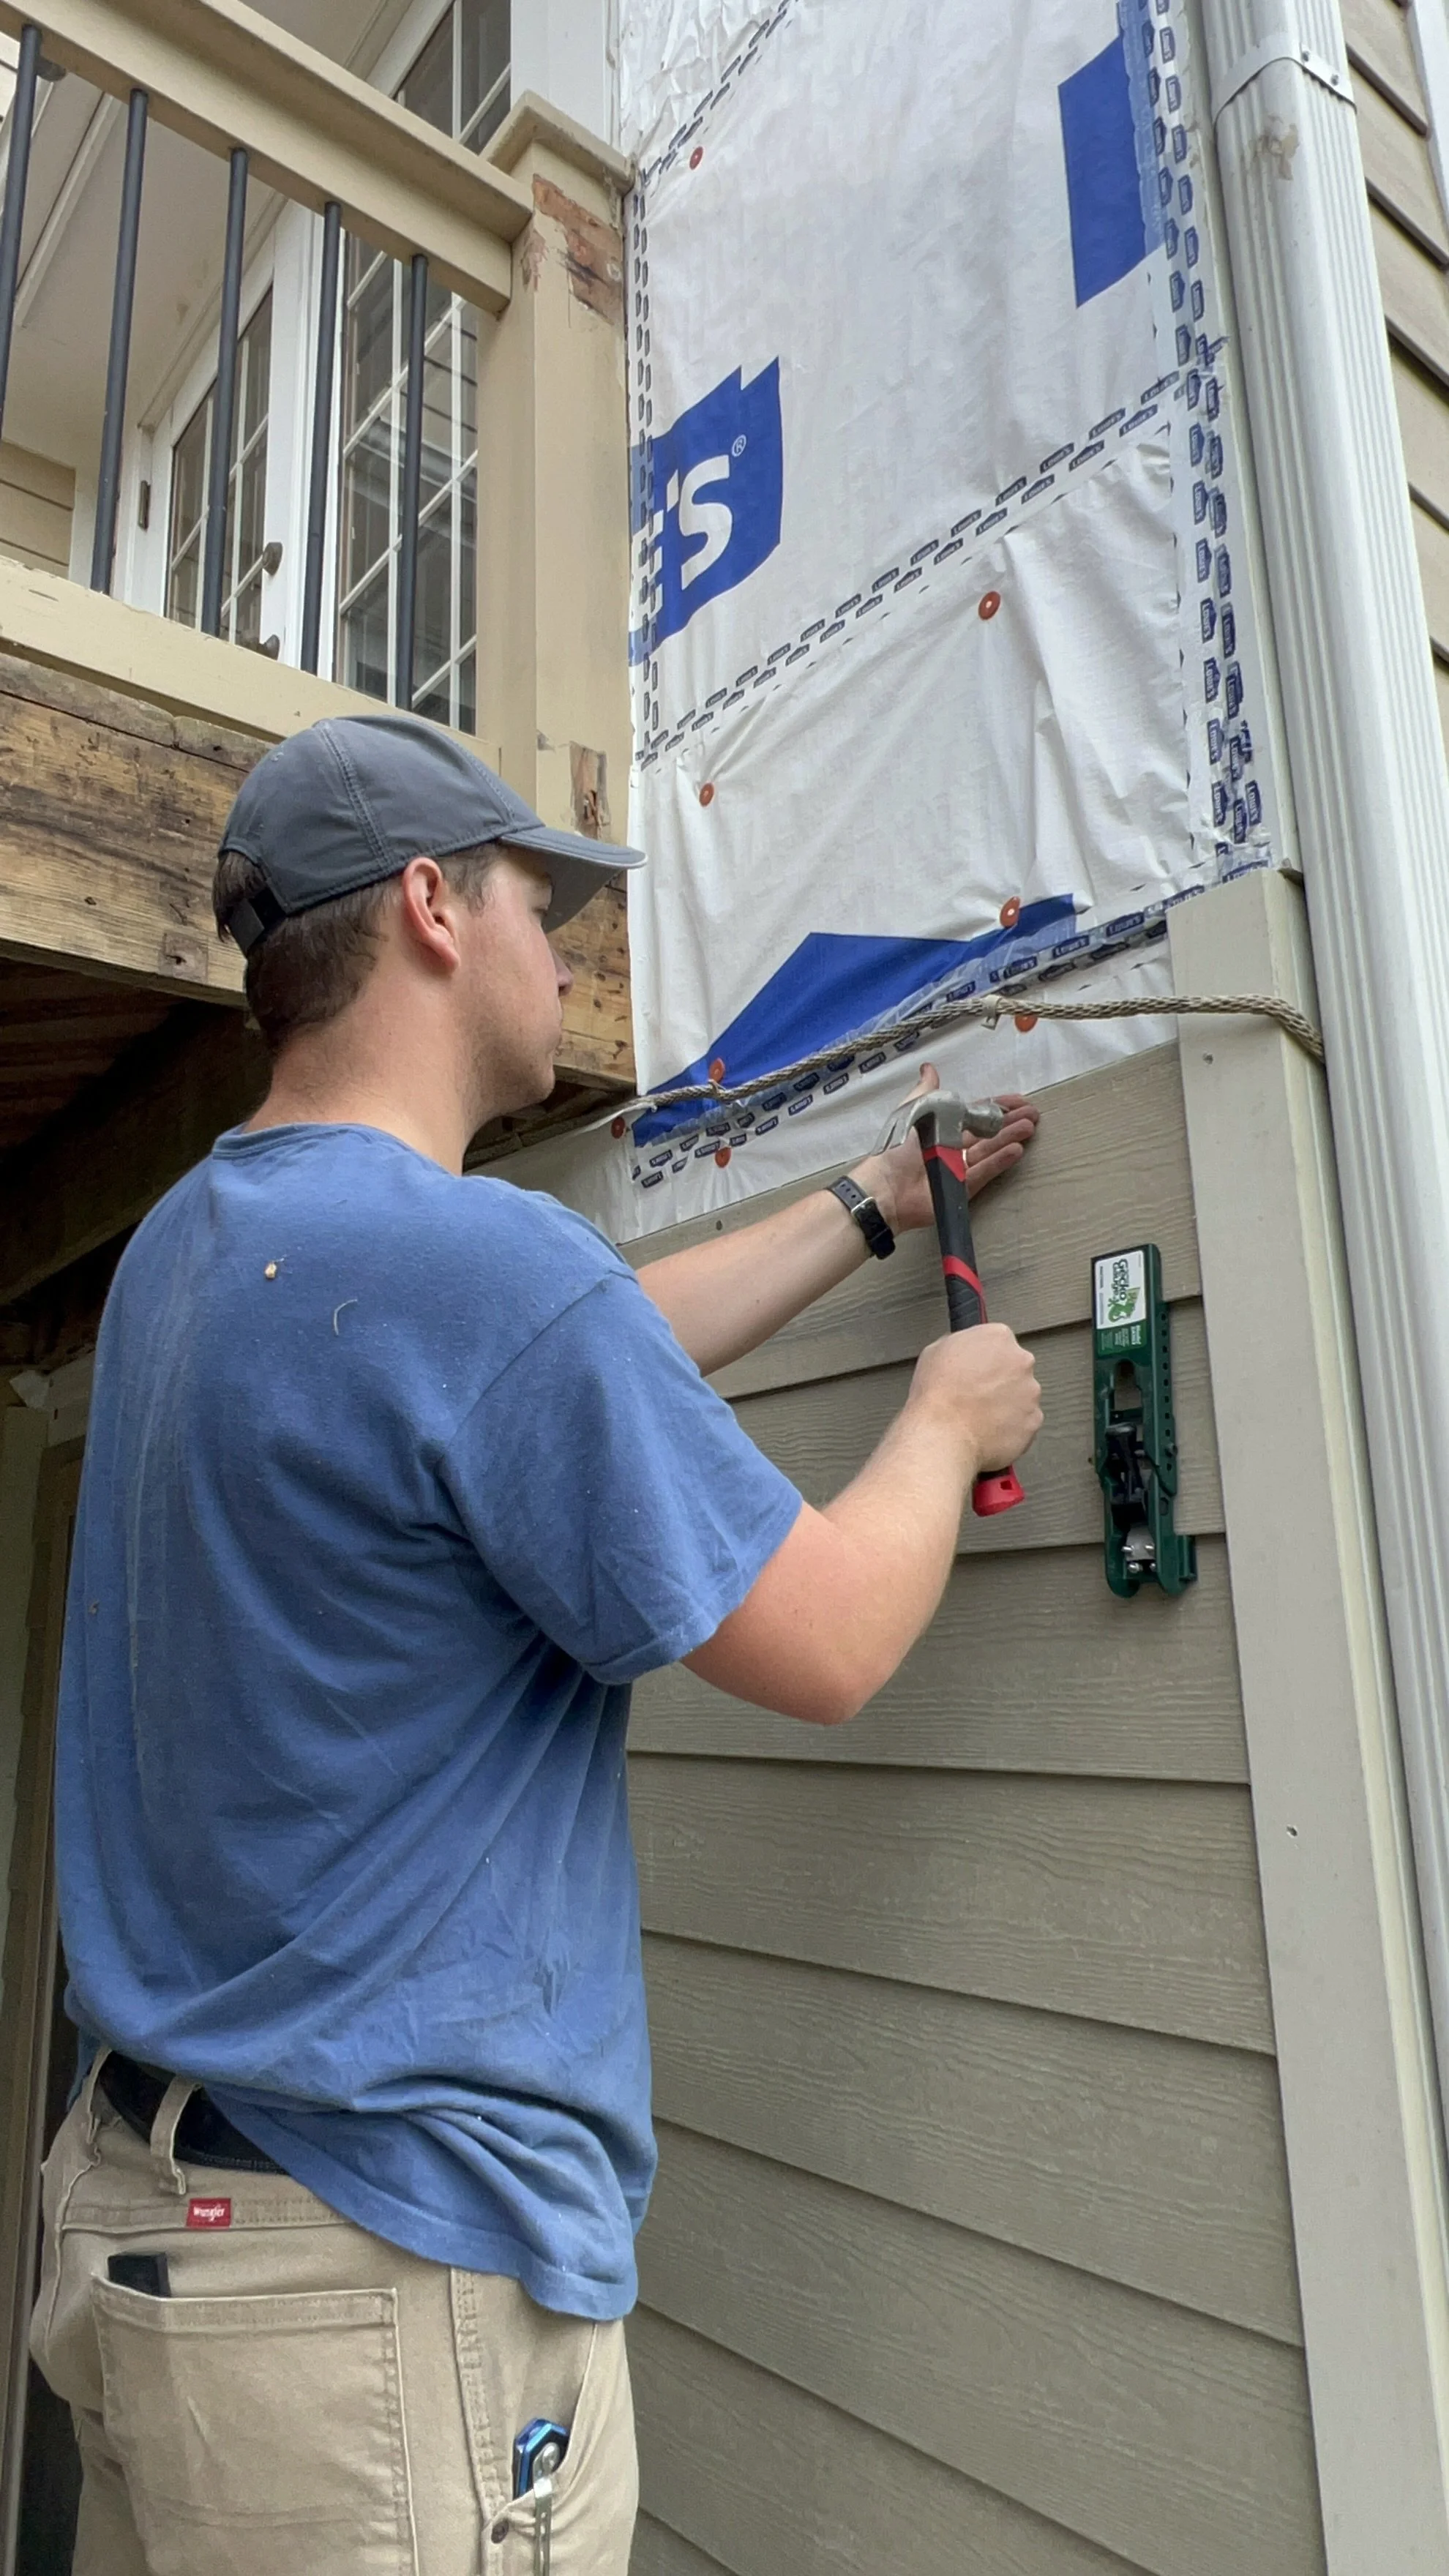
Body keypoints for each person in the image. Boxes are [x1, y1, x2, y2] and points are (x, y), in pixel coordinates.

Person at [31, 713, 1042, 2576]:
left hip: (149, 2226)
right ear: (430, 905)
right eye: (535, 899)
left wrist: (860, 1208)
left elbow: (548, 1365)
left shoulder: (199, 1246)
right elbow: (822, 1635)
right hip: (373, 2292)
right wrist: (944, 1421)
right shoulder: (473, 1269)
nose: (560, 946)